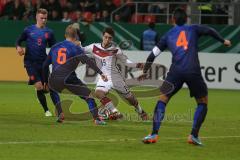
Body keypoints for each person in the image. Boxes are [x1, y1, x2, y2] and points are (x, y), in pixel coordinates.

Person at [138, 8, 231, 145]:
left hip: (176, 71)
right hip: (193, 70)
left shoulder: (168, 35)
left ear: (173, 20)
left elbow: (152, 54)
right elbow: (210, 30)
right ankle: (193, 135)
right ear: (186, 19)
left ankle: (153, 134)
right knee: (202, 101)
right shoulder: (193, 29)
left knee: (163, 98)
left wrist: (145, 70)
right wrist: (223, 41)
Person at [42, 24, 108, 125]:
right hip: (69, 78)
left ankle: (60, 113)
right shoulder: (76, 48)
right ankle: (97, 119)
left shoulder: (55, 47)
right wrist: (101, 73)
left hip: (54, 79)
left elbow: (44, 66)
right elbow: (88, 61)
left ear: (65, 35)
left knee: (53, 90)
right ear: (76, 36)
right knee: (89, 97)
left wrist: (45, 81)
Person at [83, 27, 148, 120]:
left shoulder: (116, 50)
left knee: (130, 99)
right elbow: (81, 50)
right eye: (105, 37)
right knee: (98, 93)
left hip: (116, 78)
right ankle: (114, 111)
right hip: (103, 77)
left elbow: (126, 62)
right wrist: (75, 45)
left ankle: (140, 110)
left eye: (109, 38)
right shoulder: (93, 47)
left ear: (112, 39)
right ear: (102, 36)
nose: (107, 40)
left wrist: (138, 65)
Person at [16, 8, 61, 117]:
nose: (44, 20)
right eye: (42, 18)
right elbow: (18, 40)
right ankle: (46, 110)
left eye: (45, 18)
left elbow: (54, 47)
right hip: (30, 63)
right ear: (37, 17)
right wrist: (18, 47)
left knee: (48, 88)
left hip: (43, 63)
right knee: (39, 86)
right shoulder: (28, 30)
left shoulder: (49, 32)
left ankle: (59, 110)